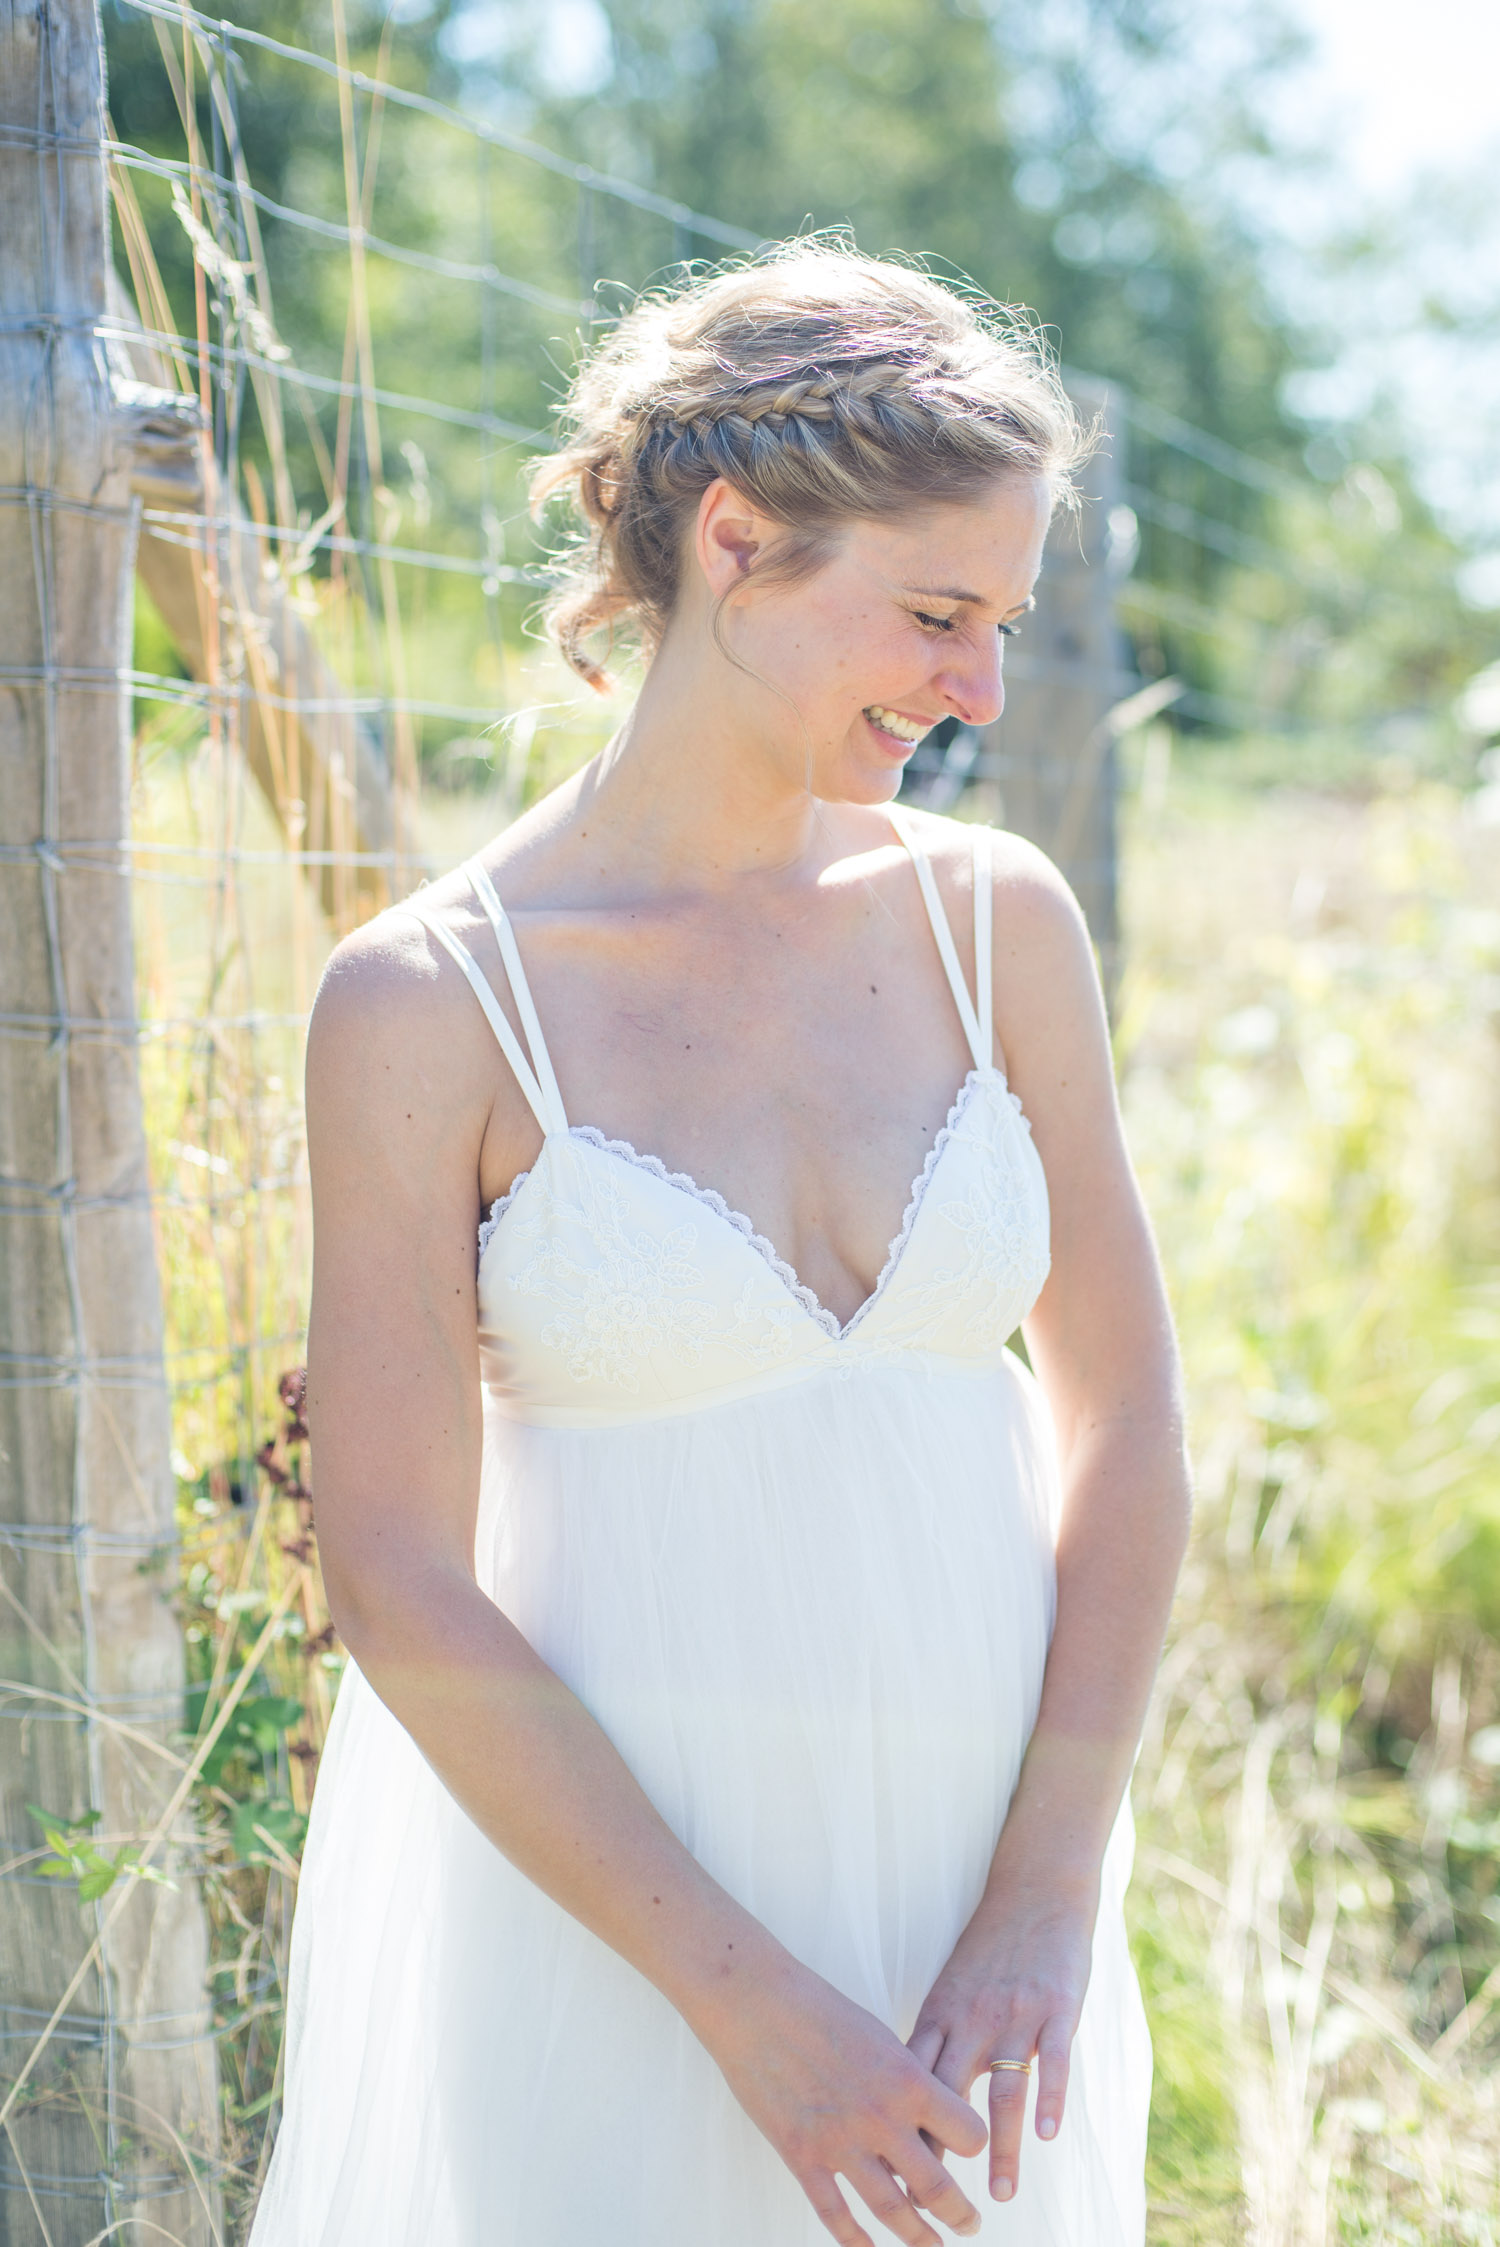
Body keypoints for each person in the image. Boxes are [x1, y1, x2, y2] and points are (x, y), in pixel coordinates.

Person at [249, 243, 1191, 2247]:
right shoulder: (425, 1001)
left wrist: (1047, 1891)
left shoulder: (997, 919)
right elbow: (395, 1565)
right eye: (939, 615)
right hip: (621, 1925)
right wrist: (751, 2012)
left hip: (987, 1905)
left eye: (1004, 623)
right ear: (737, 541)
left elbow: (1127, 1423)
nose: (983, 690)